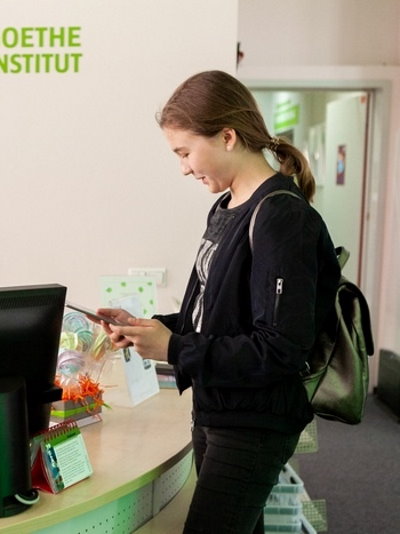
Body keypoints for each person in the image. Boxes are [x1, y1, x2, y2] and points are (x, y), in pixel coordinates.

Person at [95, 70, 340, 534]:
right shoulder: (226, 207)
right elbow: (215, 313)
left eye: (184, 152)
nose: (184, 168)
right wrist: (149, 328)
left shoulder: (281, 217)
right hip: (218, 407)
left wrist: (173, 348)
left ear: (227, 137)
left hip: (253, 422)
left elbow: (280, 349)